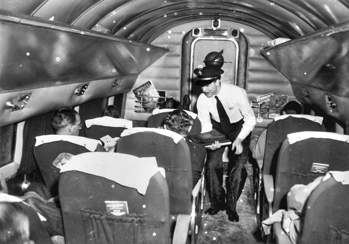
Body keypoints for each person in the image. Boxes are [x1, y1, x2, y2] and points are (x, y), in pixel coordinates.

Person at [193, 52, 256, 222]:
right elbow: (206, 125)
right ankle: (217, 203)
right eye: (201, 86)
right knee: (212, 165)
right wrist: (210, 142)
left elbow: (251, 119)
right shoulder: (202, 99)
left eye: (207, 85)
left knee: (237, 168)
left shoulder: (237, 93)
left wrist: (240, 139)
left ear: (217, 81)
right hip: (218, 128)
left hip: (239, 128)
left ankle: (231, 207)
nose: (204, 89)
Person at [249, 100, 303, 169]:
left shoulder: (270, 131)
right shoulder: (304, 133)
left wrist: (254, 139)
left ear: (283, 112)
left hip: (271, 172)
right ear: (301, 114)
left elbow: (257, 154)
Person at [163, 109, 210, 187]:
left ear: (165, 127)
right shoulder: (199, 150)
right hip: (182, 195)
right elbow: (191, 183)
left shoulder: (155, 145)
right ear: (190, 128)